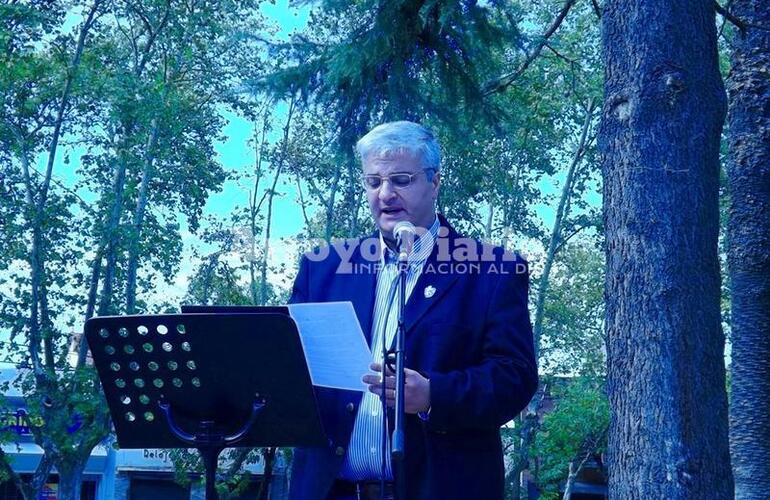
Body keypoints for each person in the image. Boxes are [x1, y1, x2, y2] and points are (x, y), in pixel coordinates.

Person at [288, 121, 538, 500]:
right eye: (373, 182)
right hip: (328, 491)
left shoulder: (493, 271)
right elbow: (293, 367)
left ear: (434, 182)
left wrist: (435, 394)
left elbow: (514, 377)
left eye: (401, 180)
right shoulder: (322, 269)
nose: (385, 194)